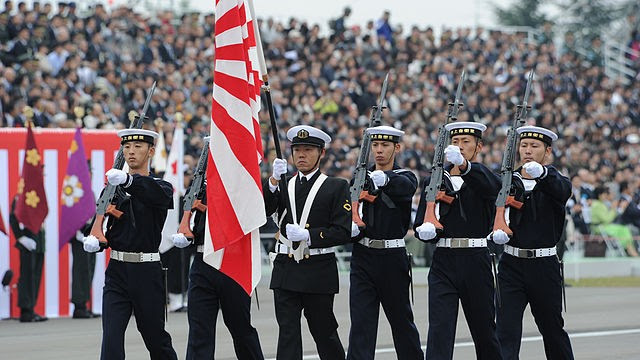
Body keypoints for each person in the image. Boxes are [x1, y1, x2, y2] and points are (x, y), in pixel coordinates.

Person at [83, 128, 177, 360]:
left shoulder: (161, 187)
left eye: (137, 147)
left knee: (156, 339)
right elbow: (104, 224)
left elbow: (155, 194)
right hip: (117, 272)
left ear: (151, 151)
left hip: (147, 272)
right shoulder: (112, 190)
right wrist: (96, 240)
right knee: (111, 339)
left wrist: (128, 180)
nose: (131, 152)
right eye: (126, 147)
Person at [414, 121, 503, 359]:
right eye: (455, 142)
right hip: (444, 260)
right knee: (440, 331)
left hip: (476, 260)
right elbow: (422, 219)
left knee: (484, 331)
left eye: (466, 142)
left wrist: (465, 167)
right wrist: (426, 231)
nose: (460, 146)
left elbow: (494, 187)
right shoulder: (434, 180)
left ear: (478, 147)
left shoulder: (483, 178)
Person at [264, 125, 351, 360]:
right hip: (286, 267)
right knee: (288, 335)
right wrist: (272, 182)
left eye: (308, 150)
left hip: (318, 269)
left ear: (321, 153)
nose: (301, 155)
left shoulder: (336, 186)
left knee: (324, 333)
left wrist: (309, 236)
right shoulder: (283, 185)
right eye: (297, 150)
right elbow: (263, 211)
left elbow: (342, 231)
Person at [171, 143, 264, 360]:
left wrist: (272, 184)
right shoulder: (198, 188)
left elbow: (258, 210)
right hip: (204, 261)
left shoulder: (241, 184)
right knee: (199, 332)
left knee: (241, 330)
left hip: (233, 261)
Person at [494, 125, 575, 359]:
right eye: (524, 145)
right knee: (505, 331)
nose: (528, 150)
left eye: (535, 146)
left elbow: (562, 191)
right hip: (511, 264)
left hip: (543, 265)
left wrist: (543, 175)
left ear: (547, 152)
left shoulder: (554, 181)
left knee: (552, 329)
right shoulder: (507, 181)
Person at [347, 125, 423, 359]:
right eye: (376, 145)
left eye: (385, 145)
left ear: (397, 148)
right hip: (362, 257)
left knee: (401, 322)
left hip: (392, 258)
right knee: (361, 324)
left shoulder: (404, 177)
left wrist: (385, 179)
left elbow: (406, 187)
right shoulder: (360, 178)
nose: (379, 150)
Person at [9, 196, 48, 323]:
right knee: (27, 275)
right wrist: (20, 237)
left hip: (38, 239)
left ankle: (31, 307)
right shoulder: (22, 195)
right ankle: (25, 310)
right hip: (28, 239)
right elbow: (13, 217)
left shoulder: (38, 192)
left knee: (36, 275)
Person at [70, 220, 99, 318]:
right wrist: (76, 231)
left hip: (90, 231)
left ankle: (84, 304)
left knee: (89, 269)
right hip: (79, 232)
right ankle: (79, 306)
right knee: (80, 269)